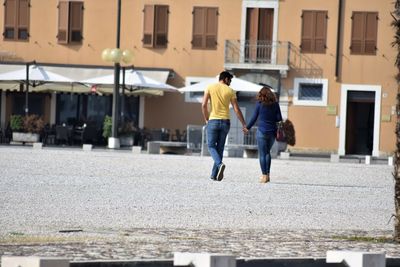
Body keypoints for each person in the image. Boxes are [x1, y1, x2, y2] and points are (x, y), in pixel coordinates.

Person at [202, 71, 247, 181]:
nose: (230, 82)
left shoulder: (210, 87)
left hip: (213, 120)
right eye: (230, 80)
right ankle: (214, 175)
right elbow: (236, 109)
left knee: (211, 146)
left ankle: (219, 164)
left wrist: (206, 118)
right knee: (220, 148)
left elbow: (203, 105)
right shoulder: (231, 91)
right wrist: (244, 124)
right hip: (226, 122)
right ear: (226, 79)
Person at [244, 86, 282, 183]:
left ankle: (264, 175)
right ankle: (268, 175)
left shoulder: (259, 104)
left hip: (262, 131)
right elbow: (279, 118)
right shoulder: (275, 105)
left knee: (262, 154)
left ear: (261, 94)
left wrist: (247, 127)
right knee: (267, 153)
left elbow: (254, 118)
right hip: (272, 132)